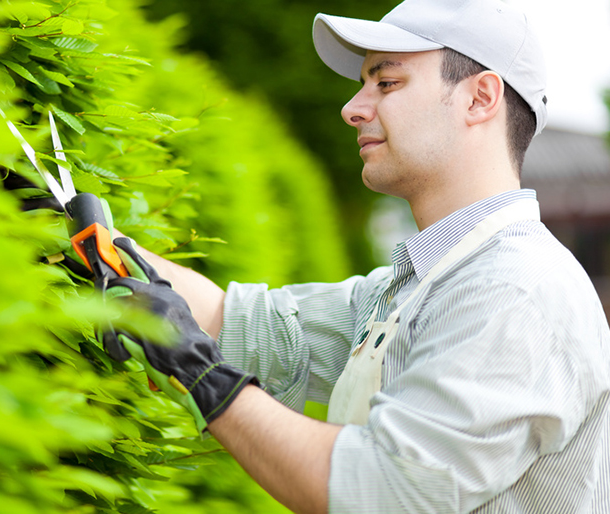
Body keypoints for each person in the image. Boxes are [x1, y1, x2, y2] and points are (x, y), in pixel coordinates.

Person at [106, 0, 610, 512]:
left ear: (479, 98)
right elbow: (245, 324)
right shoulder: (421, 283)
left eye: (386, 83)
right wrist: (91, 238)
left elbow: (380, 487)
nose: (353, 108)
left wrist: (202, 379)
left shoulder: (514, 290)